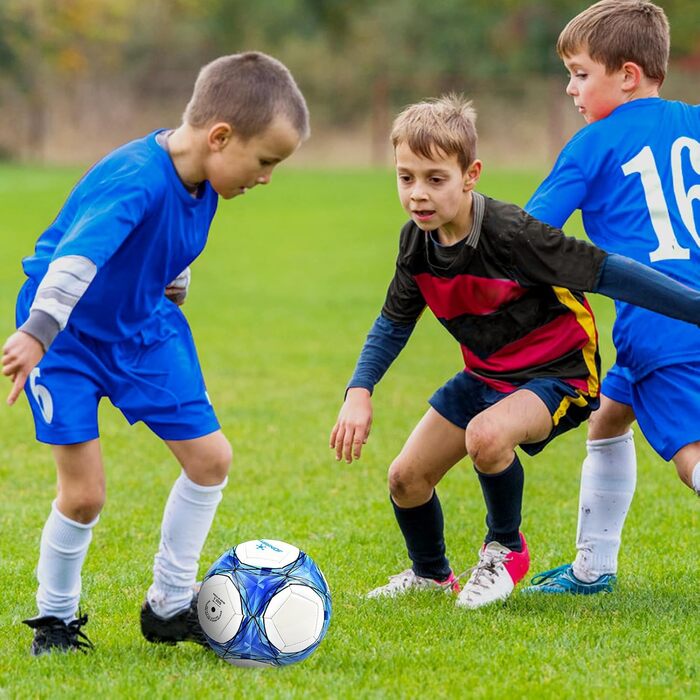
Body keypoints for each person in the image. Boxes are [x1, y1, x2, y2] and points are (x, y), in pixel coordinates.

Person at [329, 93, 700, 610]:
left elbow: (610, 271)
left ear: (470, 175)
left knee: (487, 436)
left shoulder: (512, 235)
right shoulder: (416, 242)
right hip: (487, 375)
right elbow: (393, 321)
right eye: (406, 177)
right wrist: (359, 391)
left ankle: (506, 549)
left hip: (561, 372)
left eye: (435, 179)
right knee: (405, 479)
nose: (418, 194)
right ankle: (431, 575)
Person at [2, 51, 309, 655]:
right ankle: (55, 621)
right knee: (84, 493)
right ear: (220, 137)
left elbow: (173, 241)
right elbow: (75, 259)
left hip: (143, 329)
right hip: (66, 335)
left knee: (210, 459)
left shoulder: (206, 182)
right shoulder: (135, 178)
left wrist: (175, 282)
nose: (267, 176)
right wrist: (38, 333)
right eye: (265, 160)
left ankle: (169, 605)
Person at [522, 0, 700, 595]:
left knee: (689, 457)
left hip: (659, 324)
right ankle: (592, 569)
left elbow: (530, 234)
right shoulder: (695, 123)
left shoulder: (592, 145)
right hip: (686, 314)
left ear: (626, 75)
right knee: (607, 419)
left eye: (580, 73)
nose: (571, 89)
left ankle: (591, 570)